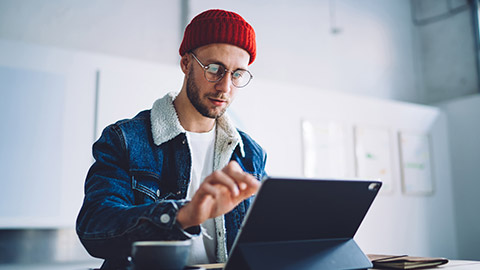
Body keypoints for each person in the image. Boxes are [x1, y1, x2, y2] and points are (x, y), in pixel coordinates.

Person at [76, 9, 267, 270]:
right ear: (186, 63)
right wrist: (181, 216)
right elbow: (94, 228)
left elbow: (262, 240)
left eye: (236, 74)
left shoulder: (251, 154)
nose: (225, 87)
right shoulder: (125, 139)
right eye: (214, 68)